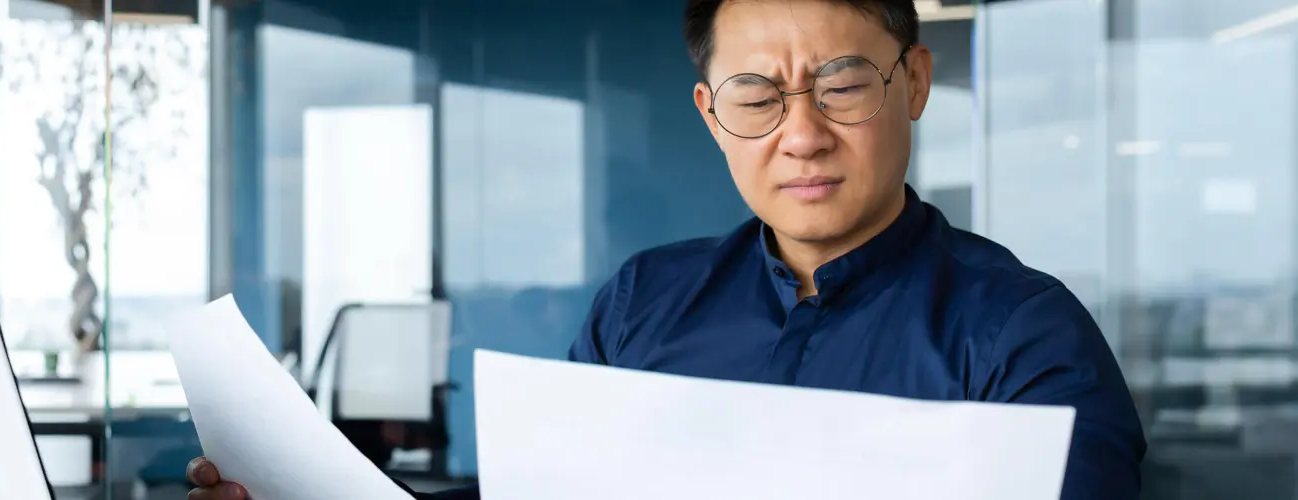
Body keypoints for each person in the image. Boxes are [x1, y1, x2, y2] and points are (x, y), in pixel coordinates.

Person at [188, 0, 1146, 498]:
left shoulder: (1025, 331)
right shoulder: (645, 301)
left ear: (916, 83)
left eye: (842, 87)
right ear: (711, 115)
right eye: (758, 97)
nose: (801, 134)